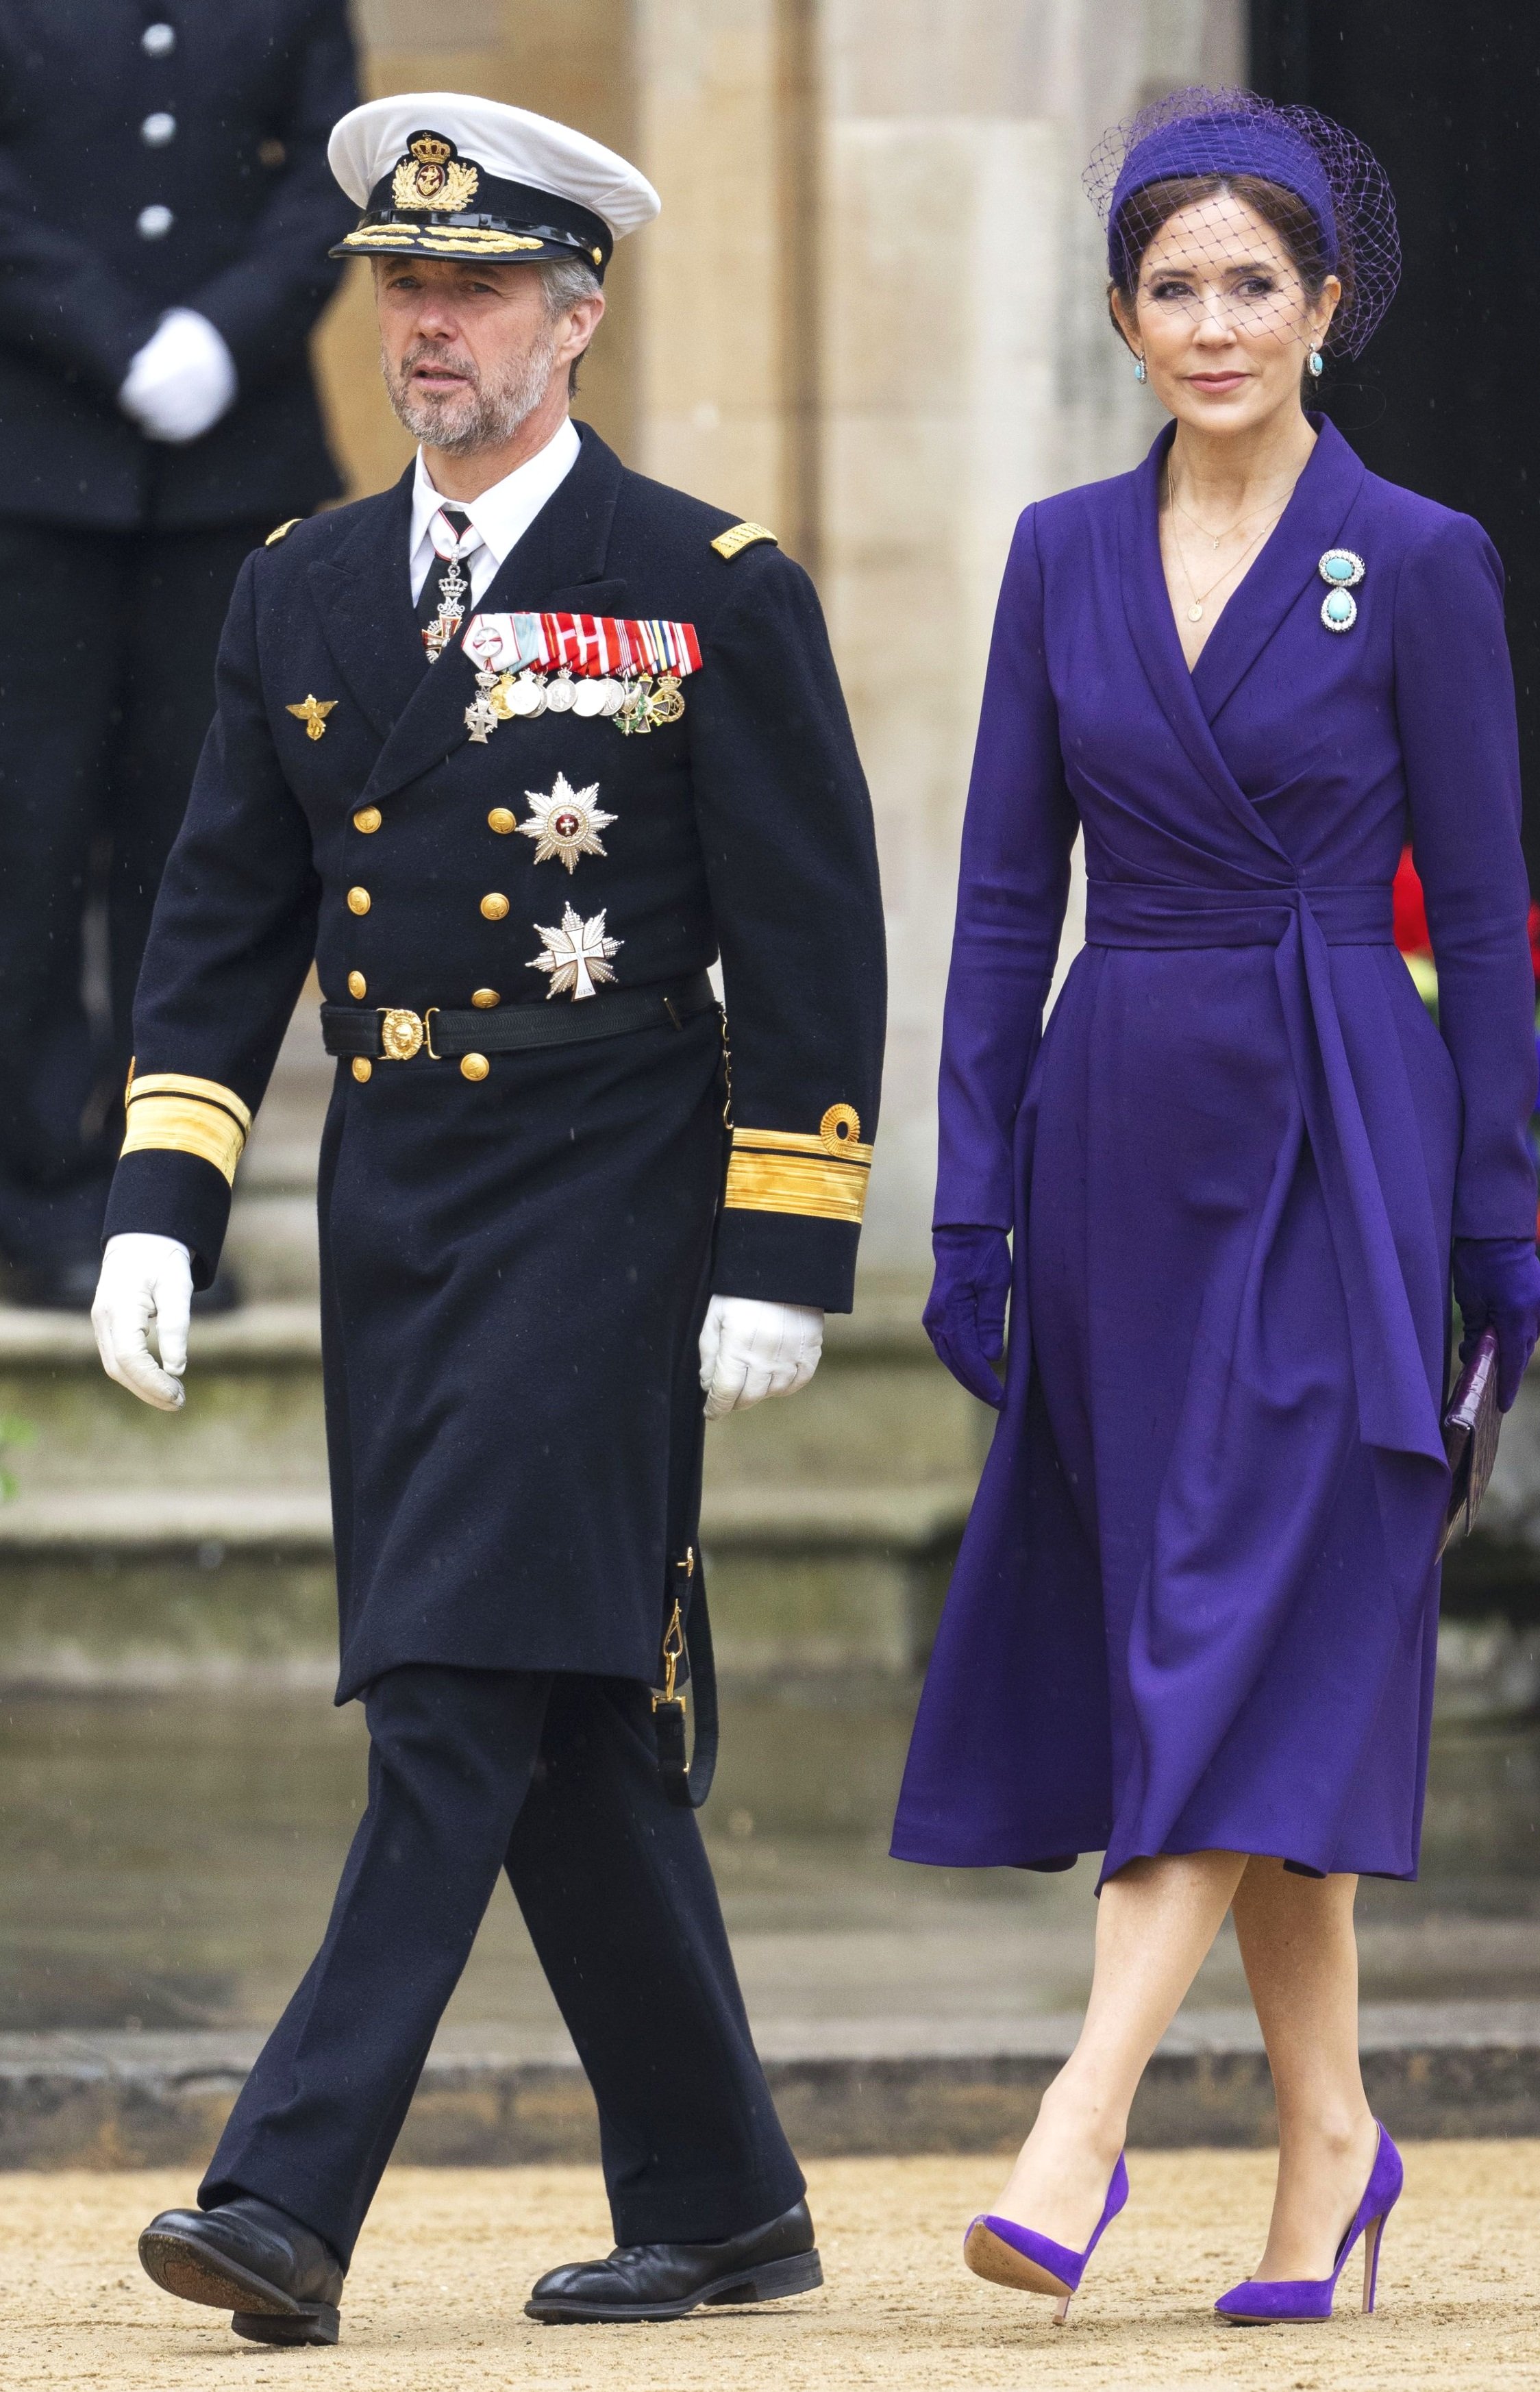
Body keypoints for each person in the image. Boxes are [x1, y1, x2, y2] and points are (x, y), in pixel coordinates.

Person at [90, 93, 886, 2347]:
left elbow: (812, 935)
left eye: (473, 288)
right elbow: (218, 915)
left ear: (578, 309)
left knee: (448, 1684)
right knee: (562, 1720)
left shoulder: (709, 583)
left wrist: (789, 1241)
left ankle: (283, 2195)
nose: (427, 328)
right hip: (398, 1213)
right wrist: (163, 1192)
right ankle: (724, 2194)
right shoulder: (300, 586)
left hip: (610, 1202)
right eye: (401, 288)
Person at [894, 87, 1540, 2327]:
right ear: (1121, 315)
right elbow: (999, 906)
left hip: (1338, 1139)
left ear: (1326, 305)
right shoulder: (1061, 552)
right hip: (1117, 1141)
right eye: (1170, 286)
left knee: (1231, 1617)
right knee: (1235, 1636)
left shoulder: (1426, 557)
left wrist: (1495, 1223)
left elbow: (1478, 901)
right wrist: (970, 1206)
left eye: (1249, 283)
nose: (1210, 321)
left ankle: (1080, 2124)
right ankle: (1330, 2146)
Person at [0, 0, 358, 1309]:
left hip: (232, 466)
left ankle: (164, 1197)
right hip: (29, 469)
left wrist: (226, 335)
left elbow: (338, 171)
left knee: (204, 844)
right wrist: (111, 335)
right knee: (24, 838)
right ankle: (39, 1192)